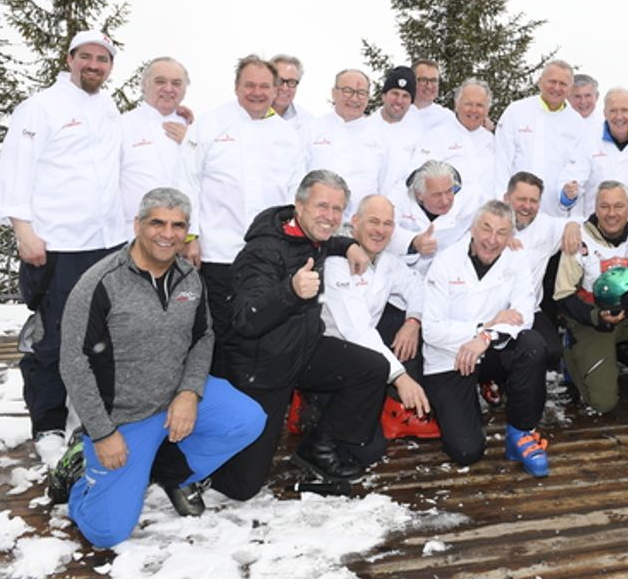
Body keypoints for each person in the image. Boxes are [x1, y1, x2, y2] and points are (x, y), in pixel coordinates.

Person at [51, 188, 266, 548]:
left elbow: (203, 337)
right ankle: (78, 474)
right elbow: (74, 362)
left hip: (173, 400)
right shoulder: (101, 282)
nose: (168, 234)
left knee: (247, 419)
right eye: (157, 223)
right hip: (123, 418)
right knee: (108, 532)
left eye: (178, 225)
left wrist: (189, 391)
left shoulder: (189, 278)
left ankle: (171, 474)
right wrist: (103, 433)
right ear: (137, 225)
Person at [208, 170, 387, 499]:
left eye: (337, 209)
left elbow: (330, 238)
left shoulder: (313, 237)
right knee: (242, 487)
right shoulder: (262, 251)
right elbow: (246, 319)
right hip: (261, 368)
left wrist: (349, 246)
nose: (330, 217)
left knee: (372, 368)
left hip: (302, 351)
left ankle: (319, 447)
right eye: (322, 206)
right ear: (299, 205)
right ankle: (175, 460)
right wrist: (290, 291)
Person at [0, 29, 126, 459]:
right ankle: (48, 423)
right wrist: (23, 229)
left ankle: (85, 417)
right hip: (57, 244)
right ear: (70, 59)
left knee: (98, 337)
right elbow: (15, 168)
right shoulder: (40, 108)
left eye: (102, 59)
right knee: (52, 338)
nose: (94, 65)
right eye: (86, 57)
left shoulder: (108, 108)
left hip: (106, 242)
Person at [176, 55, 304, 334]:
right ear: (236, 87)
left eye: (264, 86)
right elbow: (186, 181)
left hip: (270, 256)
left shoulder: (289, 136)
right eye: (249, 85)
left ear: (275, 89)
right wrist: (190, 237)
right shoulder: (209, 124)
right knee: (219, 329)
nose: (257, 93)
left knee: (264, 328)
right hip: (218, 252)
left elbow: (296, 196)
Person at [422, 200, 550, 476]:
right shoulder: (445, 262)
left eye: (501, 232)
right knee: (466, 451)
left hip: (488, 347)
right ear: (472, 228)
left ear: (510, 236)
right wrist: (482, 326)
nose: (491, 240)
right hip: (449, 357)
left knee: (532, 346)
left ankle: (521, 433)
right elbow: (431, 330)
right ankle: (466, 400)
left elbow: (523, 315)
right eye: (486, 229)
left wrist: (486, 336)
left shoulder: (516, 261)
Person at [552, 181, 628, 424]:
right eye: (605, 206)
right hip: (591, 319)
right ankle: (572, 356)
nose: (612, 213)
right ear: (596, 209)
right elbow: (562, 296)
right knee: (602, 403)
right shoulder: (579, 239)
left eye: (619, 206)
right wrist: (596, 317)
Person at [322, 194, 436, 440]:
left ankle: (397, 409)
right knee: (365, 450)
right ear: (355, 221)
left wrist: (413, 321)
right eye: (374, 222)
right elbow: (356, 329)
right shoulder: (336, 262)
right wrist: (399, 376)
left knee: (409, 332)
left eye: (387, 224)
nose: (380, 230)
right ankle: (310, 402)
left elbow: (417, 288)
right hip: (329, 350)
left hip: (367, 351)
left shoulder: (388, 261)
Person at [503, 172, 582, 369]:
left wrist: (572, 225)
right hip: (490, 310)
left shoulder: (546, 225)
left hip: (530, 310)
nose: (527, 206)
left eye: (533, 201)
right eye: (521, 199)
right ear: (506, 198)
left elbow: (584, 221)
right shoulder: (490, 224)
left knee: (552, 351)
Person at [493, 59, 586, 215]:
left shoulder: (577, 123)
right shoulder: (516, 111)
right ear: (540, 82)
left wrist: (567, 195)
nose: (556, 88)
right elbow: (502, 161)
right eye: (552, 81)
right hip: (515, 211)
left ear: (570, 89)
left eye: (563, 84)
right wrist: (503, 205)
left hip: (555, 214)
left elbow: (577, 169)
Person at [304, 68, 385, 222]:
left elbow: (386, 182)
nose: (355, 99)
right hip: (318, 222)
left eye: (361, 93)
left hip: (363, 225)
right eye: (348, 91)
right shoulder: (312, 129)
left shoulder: (381, 135)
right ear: (334, 93)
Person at [119, 57, 191, 230]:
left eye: (176, 83)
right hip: (132, 232)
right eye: (160, 81)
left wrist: (192, 143)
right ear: (143, 85)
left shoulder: (195, 129)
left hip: (182, 232)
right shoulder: (121, 125)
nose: (168, 89)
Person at [558, 87, 628, 220]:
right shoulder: (589, 141)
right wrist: (568, 194)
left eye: (624, 110)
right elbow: (572, 180)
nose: (619, 117)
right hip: (597, 227)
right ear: (604, 113)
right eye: (613, 111)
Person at [417, 78, 496, 215]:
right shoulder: (436, 137)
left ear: (487, 109)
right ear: (456, 105)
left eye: (480, 105)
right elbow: (420, 180)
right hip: (448, 222)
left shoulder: (493, 141)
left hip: (487, 222)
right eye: (468, 104)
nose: (474, 110)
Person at [386, 159, 474, 275]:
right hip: (401, 274)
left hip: (450, 276)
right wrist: (413, 242)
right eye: (437, 195)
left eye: (449, 191)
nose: (445, 200)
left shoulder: (470, 200)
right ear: (419, 195)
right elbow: (384, 230)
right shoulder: (399, 197)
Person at [366, 65, 422, 198]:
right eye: (395, 93)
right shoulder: (365, 129)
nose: (399, 101)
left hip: (402, 211)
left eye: (405, 96)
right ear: (384, 96)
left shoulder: (417, 133)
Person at [409, 59, 455, 133]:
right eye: (423, 80)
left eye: (433, 80)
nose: (429, 86)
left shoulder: (448, 119)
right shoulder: (394, 114)